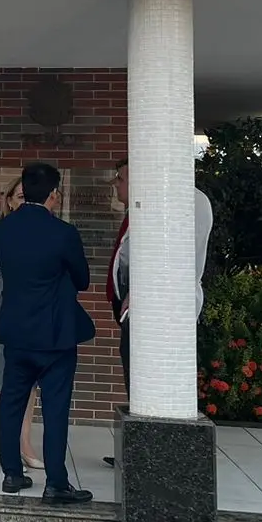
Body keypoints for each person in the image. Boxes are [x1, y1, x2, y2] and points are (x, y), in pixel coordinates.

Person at [0, 161, 94, 503]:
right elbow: (82, 280)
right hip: (55, 333)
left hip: (16, 330)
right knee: (55, 408)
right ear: (54, 194)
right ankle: (56, 482)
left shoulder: (3, 230)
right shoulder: (64, 233)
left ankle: (11, 473)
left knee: (11, 402)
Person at [103, 158, 213, 467]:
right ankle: (137, 451)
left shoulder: (184, 201)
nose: (116, 185)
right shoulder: (146, 203)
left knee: (147, 381)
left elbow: (174, 255)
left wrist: (140, 291)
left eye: (120, 178)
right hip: (135, 305)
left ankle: (151, 458)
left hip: (157, 311)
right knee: (135, 381)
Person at [0, 176, 45, 470]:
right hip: (4, 311)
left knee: (29, 379)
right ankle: (1, 442)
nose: (24, 203)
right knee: (3, 376)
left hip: (34, 314)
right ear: (9, 200)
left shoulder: (42, 230)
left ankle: (24, 443)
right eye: (19, 197)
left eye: (28, 197)